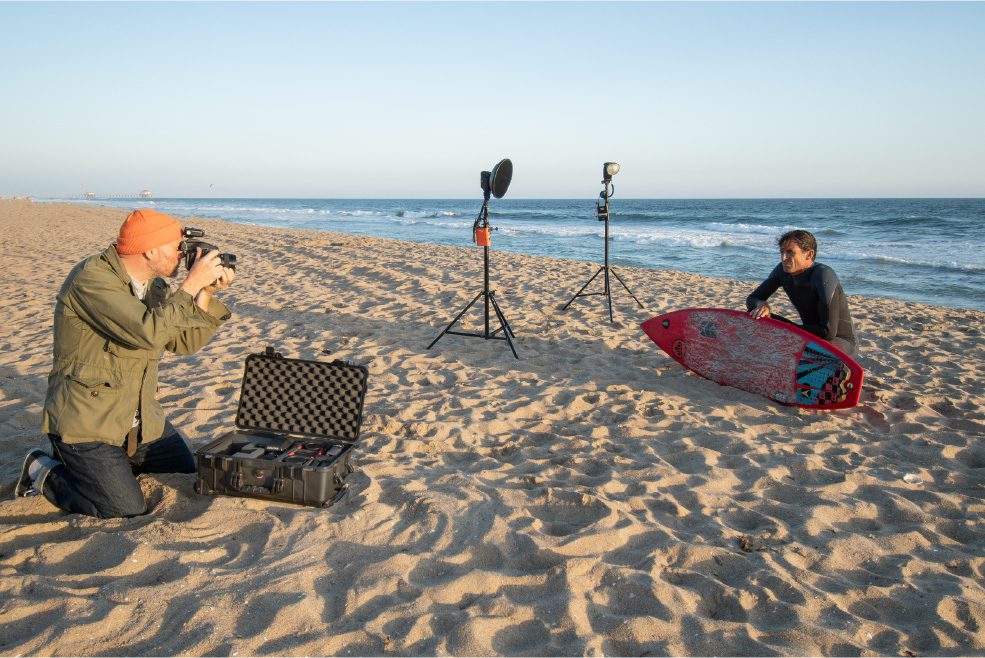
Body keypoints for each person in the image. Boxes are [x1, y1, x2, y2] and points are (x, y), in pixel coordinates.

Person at [15, 209, 235, 517]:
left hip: (138, 420)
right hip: (89, 423)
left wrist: (203, 294)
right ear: (150, 250)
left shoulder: (154, 286)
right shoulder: (92, 280)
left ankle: (111, 469)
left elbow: (184, 343)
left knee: (187, 473)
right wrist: (188, 286)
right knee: (126, 508)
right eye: (177, 247)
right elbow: (147, 332)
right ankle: (42, 471)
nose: (184, 255)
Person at [746, 229, 858, 356]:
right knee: (755, 315)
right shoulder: (782, 271)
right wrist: (762, 304)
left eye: (790, 252)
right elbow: (752, 299)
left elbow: (827, 332)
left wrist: (788, 329)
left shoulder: (823, 275)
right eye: (782, 252)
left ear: (809, 254)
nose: (783, 258)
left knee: (810, 350)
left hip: (840, 343)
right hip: (808, 335)